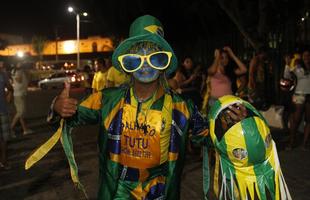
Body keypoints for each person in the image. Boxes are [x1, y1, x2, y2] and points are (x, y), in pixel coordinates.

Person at [25, 15, 291, 200]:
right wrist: (57, 106)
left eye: (154, 57)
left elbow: (208, 137)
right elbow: (70, 116)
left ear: (164, 63)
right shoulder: (106, 100)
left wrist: (233, 125)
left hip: (161, 191)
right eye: (135, 58)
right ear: (126, 63)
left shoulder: (182, 108)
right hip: (117, 190)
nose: (144, 64)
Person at [202, 47, 247, 113]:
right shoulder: (212, 70)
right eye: (222, 57)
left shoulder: (229, 71)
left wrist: (232, 55)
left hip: (229, 102)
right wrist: (217, 56)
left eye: (226, 57)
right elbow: (212, 71)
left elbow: (244, 70)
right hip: (215, 102)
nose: (225, 60)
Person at [284, 48, 310, 150]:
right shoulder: (298, 67)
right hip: (299, 95)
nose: (307, 57)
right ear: (302, 57)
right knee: (296, 120)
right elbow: (287, 76)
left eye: (308, 55)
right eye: (305, 56)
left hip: (309, 97)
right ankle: (291, 143)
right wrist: (287, 64)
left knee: (309, 120)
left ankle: (304, 144)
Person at [10, 62, 32, 136]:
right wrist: (21, 73)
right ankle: (10, 128)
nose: (20, 64)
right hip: (19, 94)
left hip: (20, 94)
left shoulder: (19, 71)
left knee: (20, 113)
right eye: (18, 63)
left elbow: (27, 80)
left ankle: (25, 130)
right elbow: (19, 80)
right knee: (20, 112)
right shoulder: (17, 71)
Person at [0, 60, 13, 170]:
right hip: (2, 110)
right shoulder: (2, 74)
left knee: (4, 139)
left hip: (2, 110)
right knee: (3, 139)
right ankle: (3, 161)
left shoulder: (3, 74)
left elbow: (10, 88)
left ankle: (4, 161)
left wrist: (8, 96)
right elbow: (10, 88)